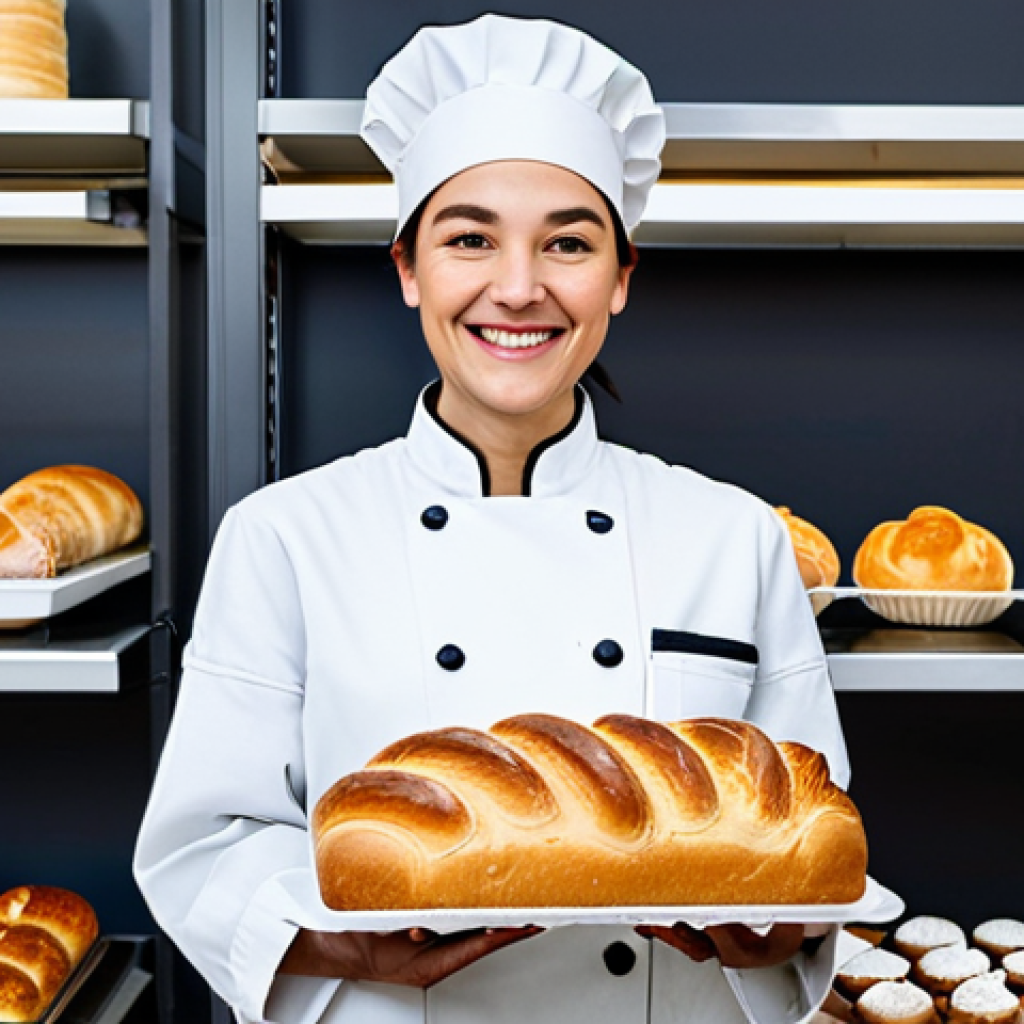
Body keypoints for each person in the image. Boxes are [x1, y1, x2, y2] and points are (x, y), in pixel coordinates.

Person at [135, 15, 852, 1024]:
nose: (518, 289)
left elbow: (809, 831)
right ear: (408, 269)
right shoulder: (284, 537)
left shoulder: (733, 536)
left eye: (569, 243)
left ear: (620, 279)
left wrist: (783, 928)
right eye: (470, 238)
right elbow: (204, 843)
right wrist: (342, 939)